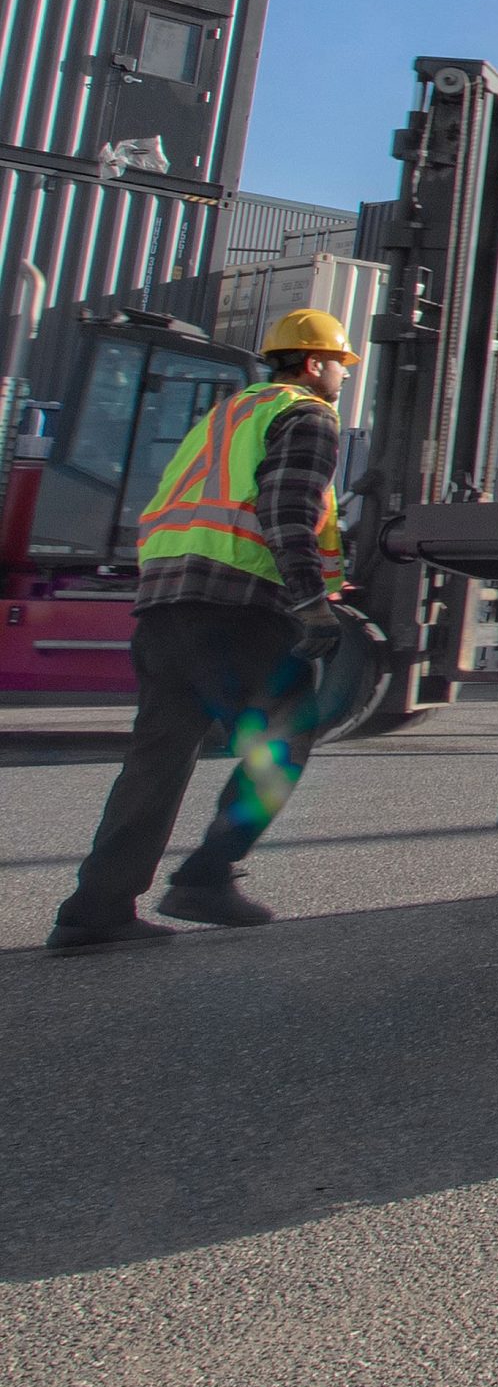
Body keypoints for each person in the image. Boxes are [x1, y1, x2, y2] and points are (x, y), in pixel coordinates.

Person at [48, 307, 358, 951]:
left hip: (165, 604)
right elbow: (286, 509)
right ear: (311, 363)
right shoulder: (307, 415)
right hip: (238, 604)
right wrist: (312, 603)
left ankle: (96, 909)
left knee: (157, 757)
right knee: (286, 739)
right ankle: (206, 877)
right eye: (339, 362)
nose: (344, 375)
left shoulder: (223, 417)